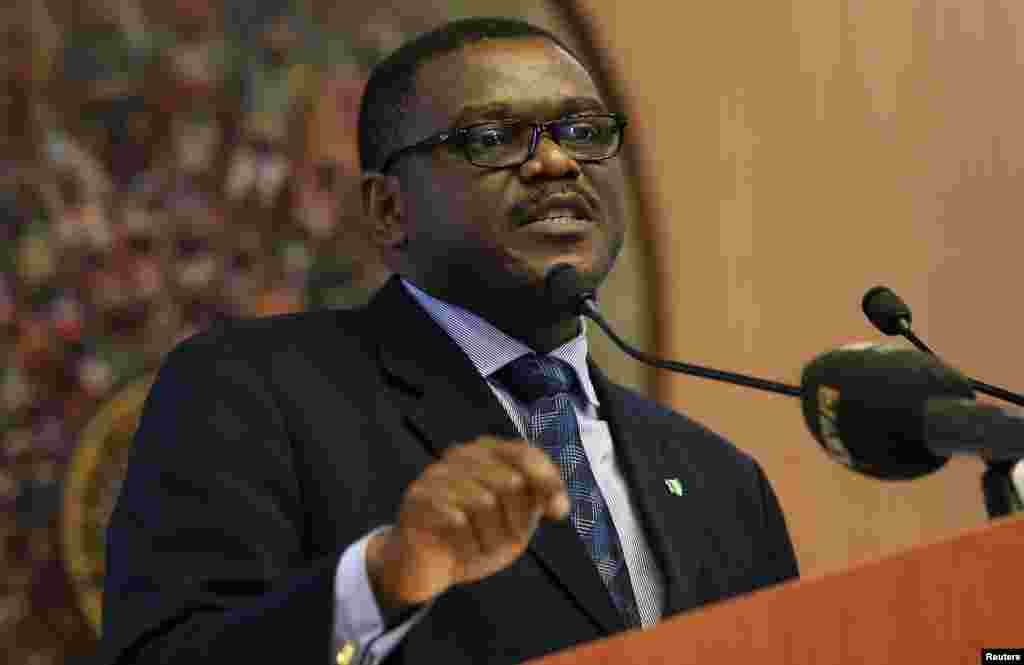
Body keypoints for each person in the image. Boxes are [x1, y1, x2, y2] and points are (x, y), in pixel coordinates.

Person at [98, 17, 799, 665]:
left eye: (583, 130)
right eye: (491, 140)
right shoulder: (250, 392)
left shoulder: (724, 484)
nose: (556, 162)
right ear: (389, 208)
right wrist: (383, 579)